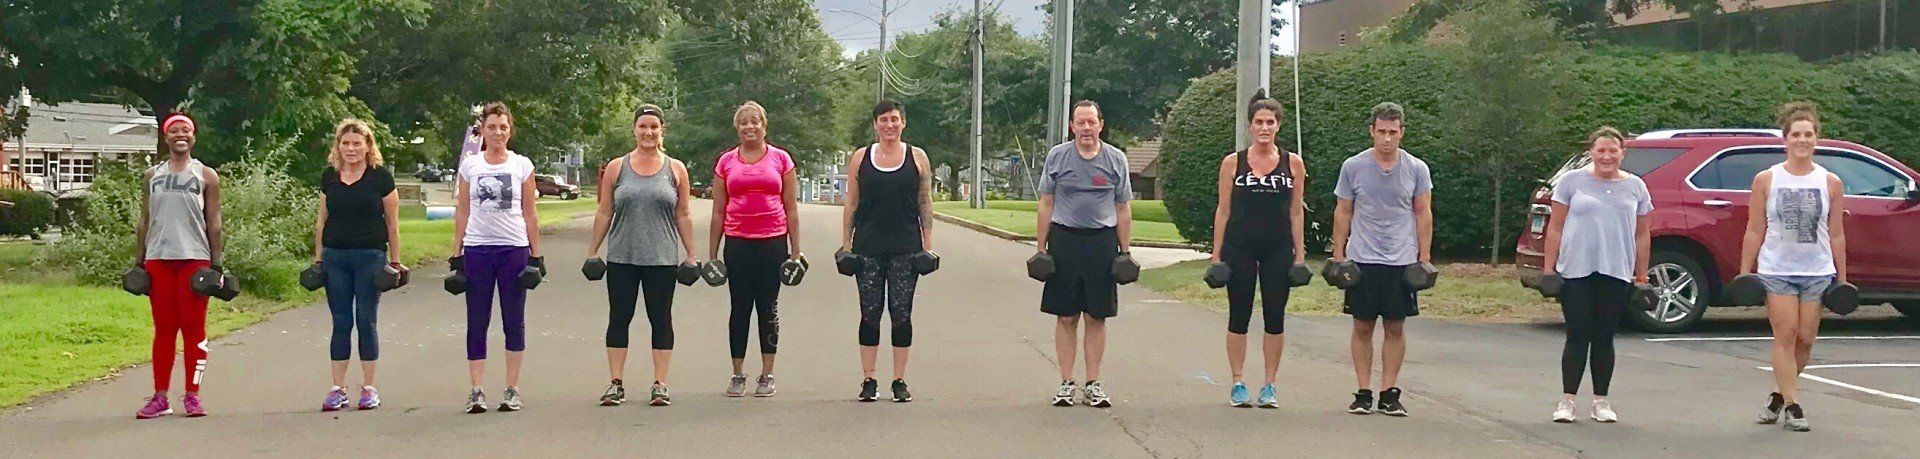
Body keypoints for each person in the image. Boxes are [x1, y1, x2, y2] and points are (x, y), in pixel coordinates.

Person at [1538, 126, 1652, 423]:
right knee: (1577, 334)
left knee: (1604, 336)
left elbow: (1642, 233)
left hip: (1615, 270)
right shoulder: (1571, 182)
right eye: (1601, 150)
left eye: (1613, 151)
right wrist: (1549, 269)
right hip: (1577, 269)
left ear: (1622, 153)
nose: (1606, 156)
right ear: (1592, 152)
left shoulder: (1636, 187)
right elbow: (1556, 226)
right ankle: (1567, 401)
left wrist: (1641, 275)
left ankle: (1601, 401)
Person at [586, 104, 698, 407]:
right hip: (622, 256)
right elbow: (605, 210)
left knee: (660, 319)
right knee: (619, 318)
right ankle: (615, 383)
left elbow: (683, 214)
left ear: (662, 130)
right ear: (634, 129)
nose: (648, 132)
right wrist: (593, 250)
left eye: (654, 127)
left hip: (661, 259)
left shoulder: (675, 169)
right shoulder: (616, 167)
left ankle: (660, 384)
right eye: (643, 126)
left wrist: (691, 254)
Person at [1745, 102, 1846, 433]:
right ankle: (1793, 406)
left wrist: (1842, 280)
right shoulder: (1766, 179)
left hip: (1817, 270)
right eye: (1796, 134)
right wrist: (1745, 271)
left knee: (1804, 340)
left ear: (1817, 138)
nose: (1802, 140)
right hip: (1777, 269)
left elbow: (1835, 233)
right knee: (1785, 334)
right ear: (1785, 139)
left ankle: (1778, 396)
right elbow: (1755, 228)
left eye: (1809, 134)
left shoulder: (1830, 182)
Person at [1331, 102, 1432, 417]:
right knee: (1362, 325)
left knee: (1395, 327)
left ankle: (1389, 392)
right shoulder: (1353, 167)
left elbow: (1423, 212)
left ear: (1401, 132)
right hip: (1362, 258)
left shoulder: (1417, 169)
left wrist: (1424, 259)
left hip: (1400, 259)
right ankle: (1363, 392)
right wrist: (1338, 254)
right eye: (1381, 131)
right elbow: (1344, 210)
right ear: (1372, 131)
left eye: (1393, 132)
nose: (1387, 138)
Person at [1207, 92, 1304, 409]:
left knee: (1275, 316)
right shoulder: (1233, 162)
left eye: (1270, 122)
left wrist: (1300, 256)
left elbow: (1296, 212)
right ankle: (1237, 383)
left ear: (1277, 126)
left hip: (1277, 247)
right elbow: (1223, 210)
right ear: (1250, 126)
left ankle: (1269, 386)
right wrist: (1216, 254)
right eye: (1259, 122)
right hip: (1240, 246)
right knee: (1240, 313)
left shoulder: (1293, 163)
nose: (1265, 128)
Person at [1037, 100, 1132, 408]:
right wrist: (1041, 249)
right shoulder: (1058, 157)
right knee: (1066, 316)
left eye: (1092, 122)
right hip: (1065, 240)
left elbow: (1122, 208)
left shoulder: (1116, 159)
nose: (1087, 128)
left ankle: (1093, 383)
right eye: (1081, 122)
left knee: (1096, 315)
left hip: (1102, 243)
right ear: (1072, 127)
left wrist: (1125, 252)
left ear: (1100, 125)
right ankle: (1066, 383)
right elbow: (1046, 204)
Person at [839, 100, 934, 403]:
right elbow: (851, 202)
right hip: (868, 246)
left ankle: (899, 379)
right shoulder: (861, 158)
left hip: (906, 247)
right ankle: (869, 379)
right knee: (870, 313)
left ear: (903, 123)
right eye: (883, 120)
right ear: (875, 124)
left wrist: (927, 246)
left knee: (901, 313)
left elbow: (924, 202)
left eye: (895, 119)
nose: (889, 125)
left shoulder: (917, 157)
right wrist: (847, 244)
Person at [133, 112, 224, 419]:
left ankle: (193, 396)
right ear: (166, 137)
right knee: (164, 330)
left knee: (194, 329)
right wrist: (138, 261)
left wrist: (218, 264)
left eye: (186, 130)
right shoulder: (152, 175)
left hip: (194, 259)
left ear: (193, 137)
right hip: (158, 259)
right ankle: (160, 397)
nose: (180, 135)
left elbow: (214, 222)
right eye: (174, 131)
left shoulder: (206, 175)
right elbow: (145, 220)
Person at [708, 101, 802, 398]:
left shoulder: (781, 160)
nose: (750, 127)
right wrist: (712, 255)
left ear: (764, 125)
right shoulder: (726, 162)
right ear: (737, 128)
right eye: (744, 122)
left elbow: (791, 208)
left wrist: (795, 253)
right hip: (737, 243)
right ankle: (737, 374)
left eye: (755, 121)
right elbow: (718, 211)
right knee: (739, 308)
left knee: (768, 308)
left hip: (773, 242)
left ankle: (767, 374)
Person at [454, 102, 542, 413]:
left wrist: (536, 255)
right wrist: (457, 255)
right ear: (483, 130)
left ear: (510, 130)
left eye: (503, 127)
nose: (498, 132)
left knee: (513, 320)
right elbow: (462, 210)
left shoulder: (521, 165)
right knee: (477, 320)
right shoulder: (471, 166)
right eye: (492, 127)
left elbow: (530, 212)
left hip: (513, 249)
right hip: (478, 249)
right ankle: (476, 389)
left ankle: (511, 388)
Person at [312, 119, 403, 412]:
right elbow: (321, 220)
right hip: (335, 257)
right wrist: (318, 258)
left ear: (367, 146)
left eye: (357, 143)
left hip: (370, 256)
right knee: (341, 322)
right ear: (338, 146)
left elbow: (392, 223)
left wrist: (396, 261)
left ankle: (369, 387)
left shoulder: (381, 178)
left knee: (366, 319)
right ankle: (338, 389)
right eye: (346, 143)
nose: (351, 148)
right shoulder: (330, 177)